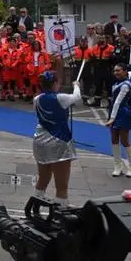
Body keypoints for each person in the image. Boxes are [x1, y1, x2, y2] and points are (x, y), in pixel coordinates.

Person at [32, 71, 82, 204]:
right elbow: (77, 98)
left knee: (43, 178)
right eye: (59, 82)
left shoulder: (36, 99)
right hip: (58, 141)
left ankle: (35, 204)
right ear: (54, 83)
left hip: (40, 139)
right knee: (62, 186)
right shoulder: (61, 98)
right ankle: (61, 211)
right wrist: (76, 85)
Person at [106, 63, 131, 177]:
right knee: (114, 139)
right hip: (113, 111)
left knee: (124, 141)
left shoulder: (126, 85)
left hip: (123, 113)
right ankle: (118, 166)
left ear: (125, 71)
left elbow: (118, 102)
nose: (116, 73)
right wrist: (111, 116)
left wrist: (112, 118)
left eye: (118, 70)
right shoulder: (116, 83)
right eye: (115, 71)